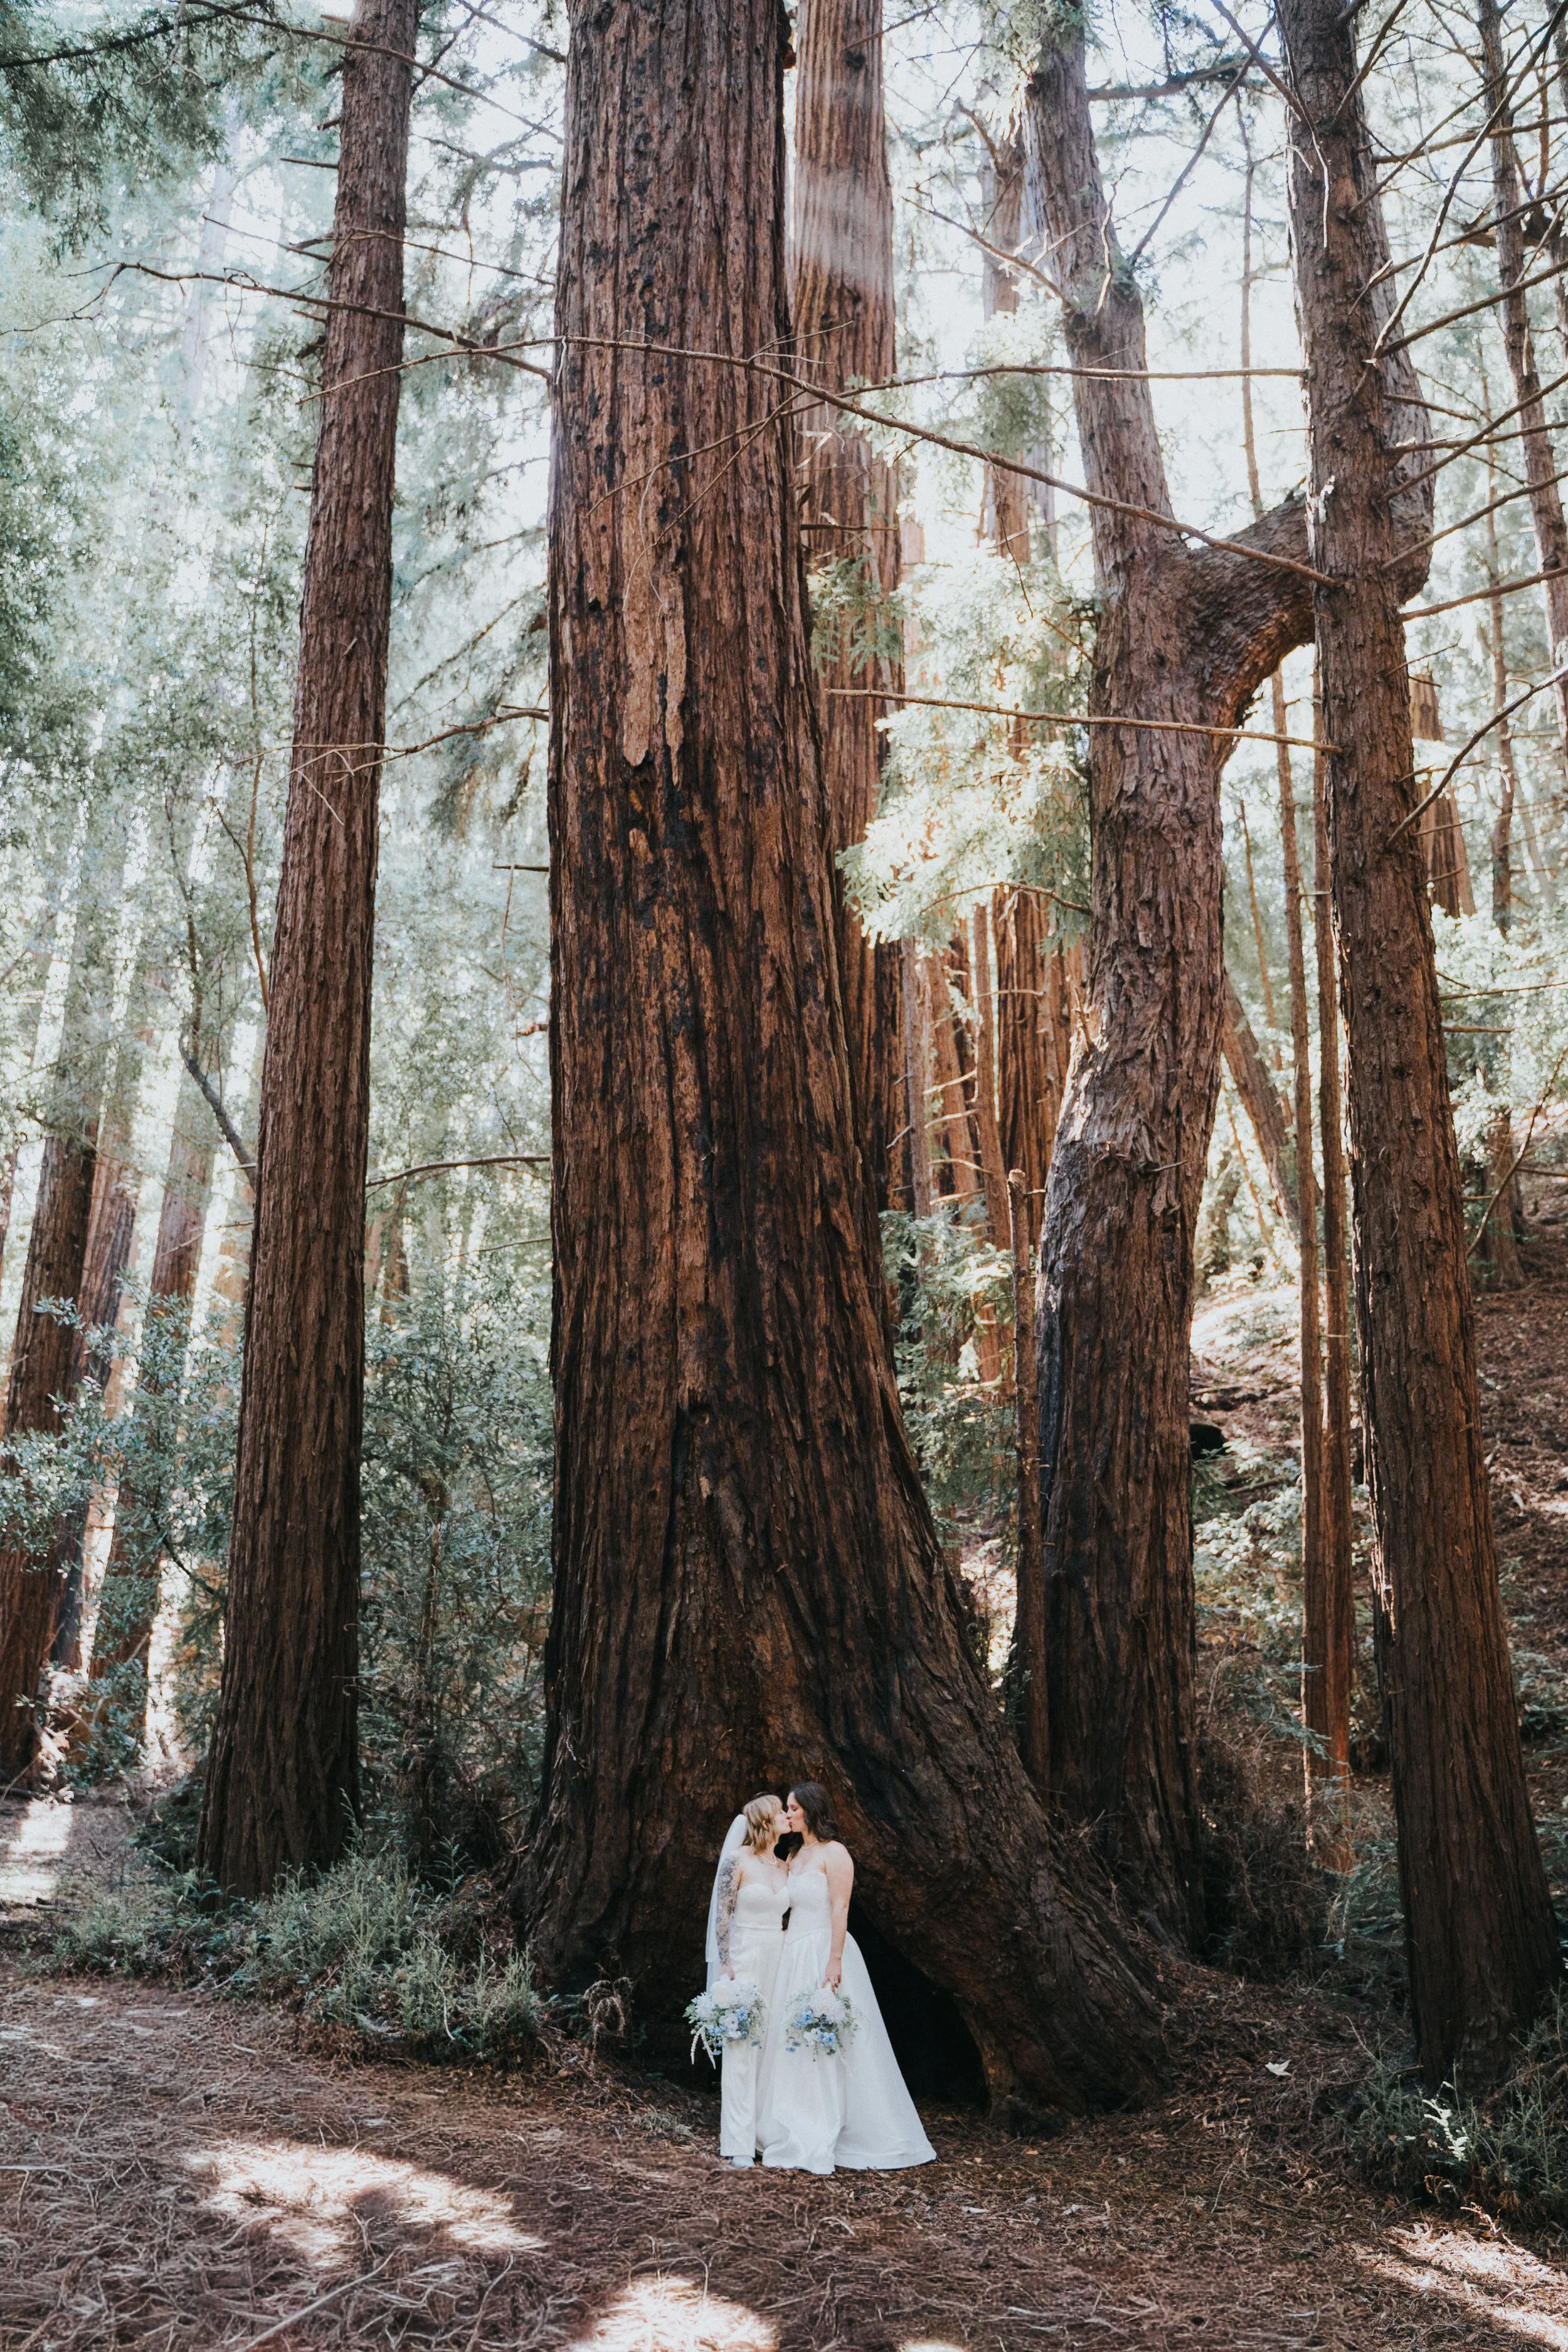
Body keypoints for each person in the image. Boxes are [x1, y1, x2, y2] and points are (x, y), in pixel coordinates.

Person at [758, 1782, 936, 2175]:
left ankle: (850, 2129)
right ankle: (790, 2122)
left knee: (836, 2038)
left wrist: (834, 1960)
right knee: (794, 2038)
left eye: (793, 1808)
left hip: (824, 1948)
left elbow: (840, 1907)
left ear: (811, 1810)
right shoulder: (794, 1854)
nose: (788, 1814)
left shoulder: (834, 1853)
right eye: (785, 1808)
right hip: (793, 1953)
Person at [706, 1793, 791, 2168]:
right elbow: (722, 1915)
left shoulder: (785, 1865)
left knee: (772, 2046)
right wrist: (725, 1963)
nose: (789, 1817)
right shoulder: (736, 1860)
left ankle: (763, 2135)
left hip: (780, 1956)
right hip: (745, 1956)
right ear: (766, 1821)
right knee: (742, 2046)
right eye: (782, 1813)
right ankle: (737, 2142)